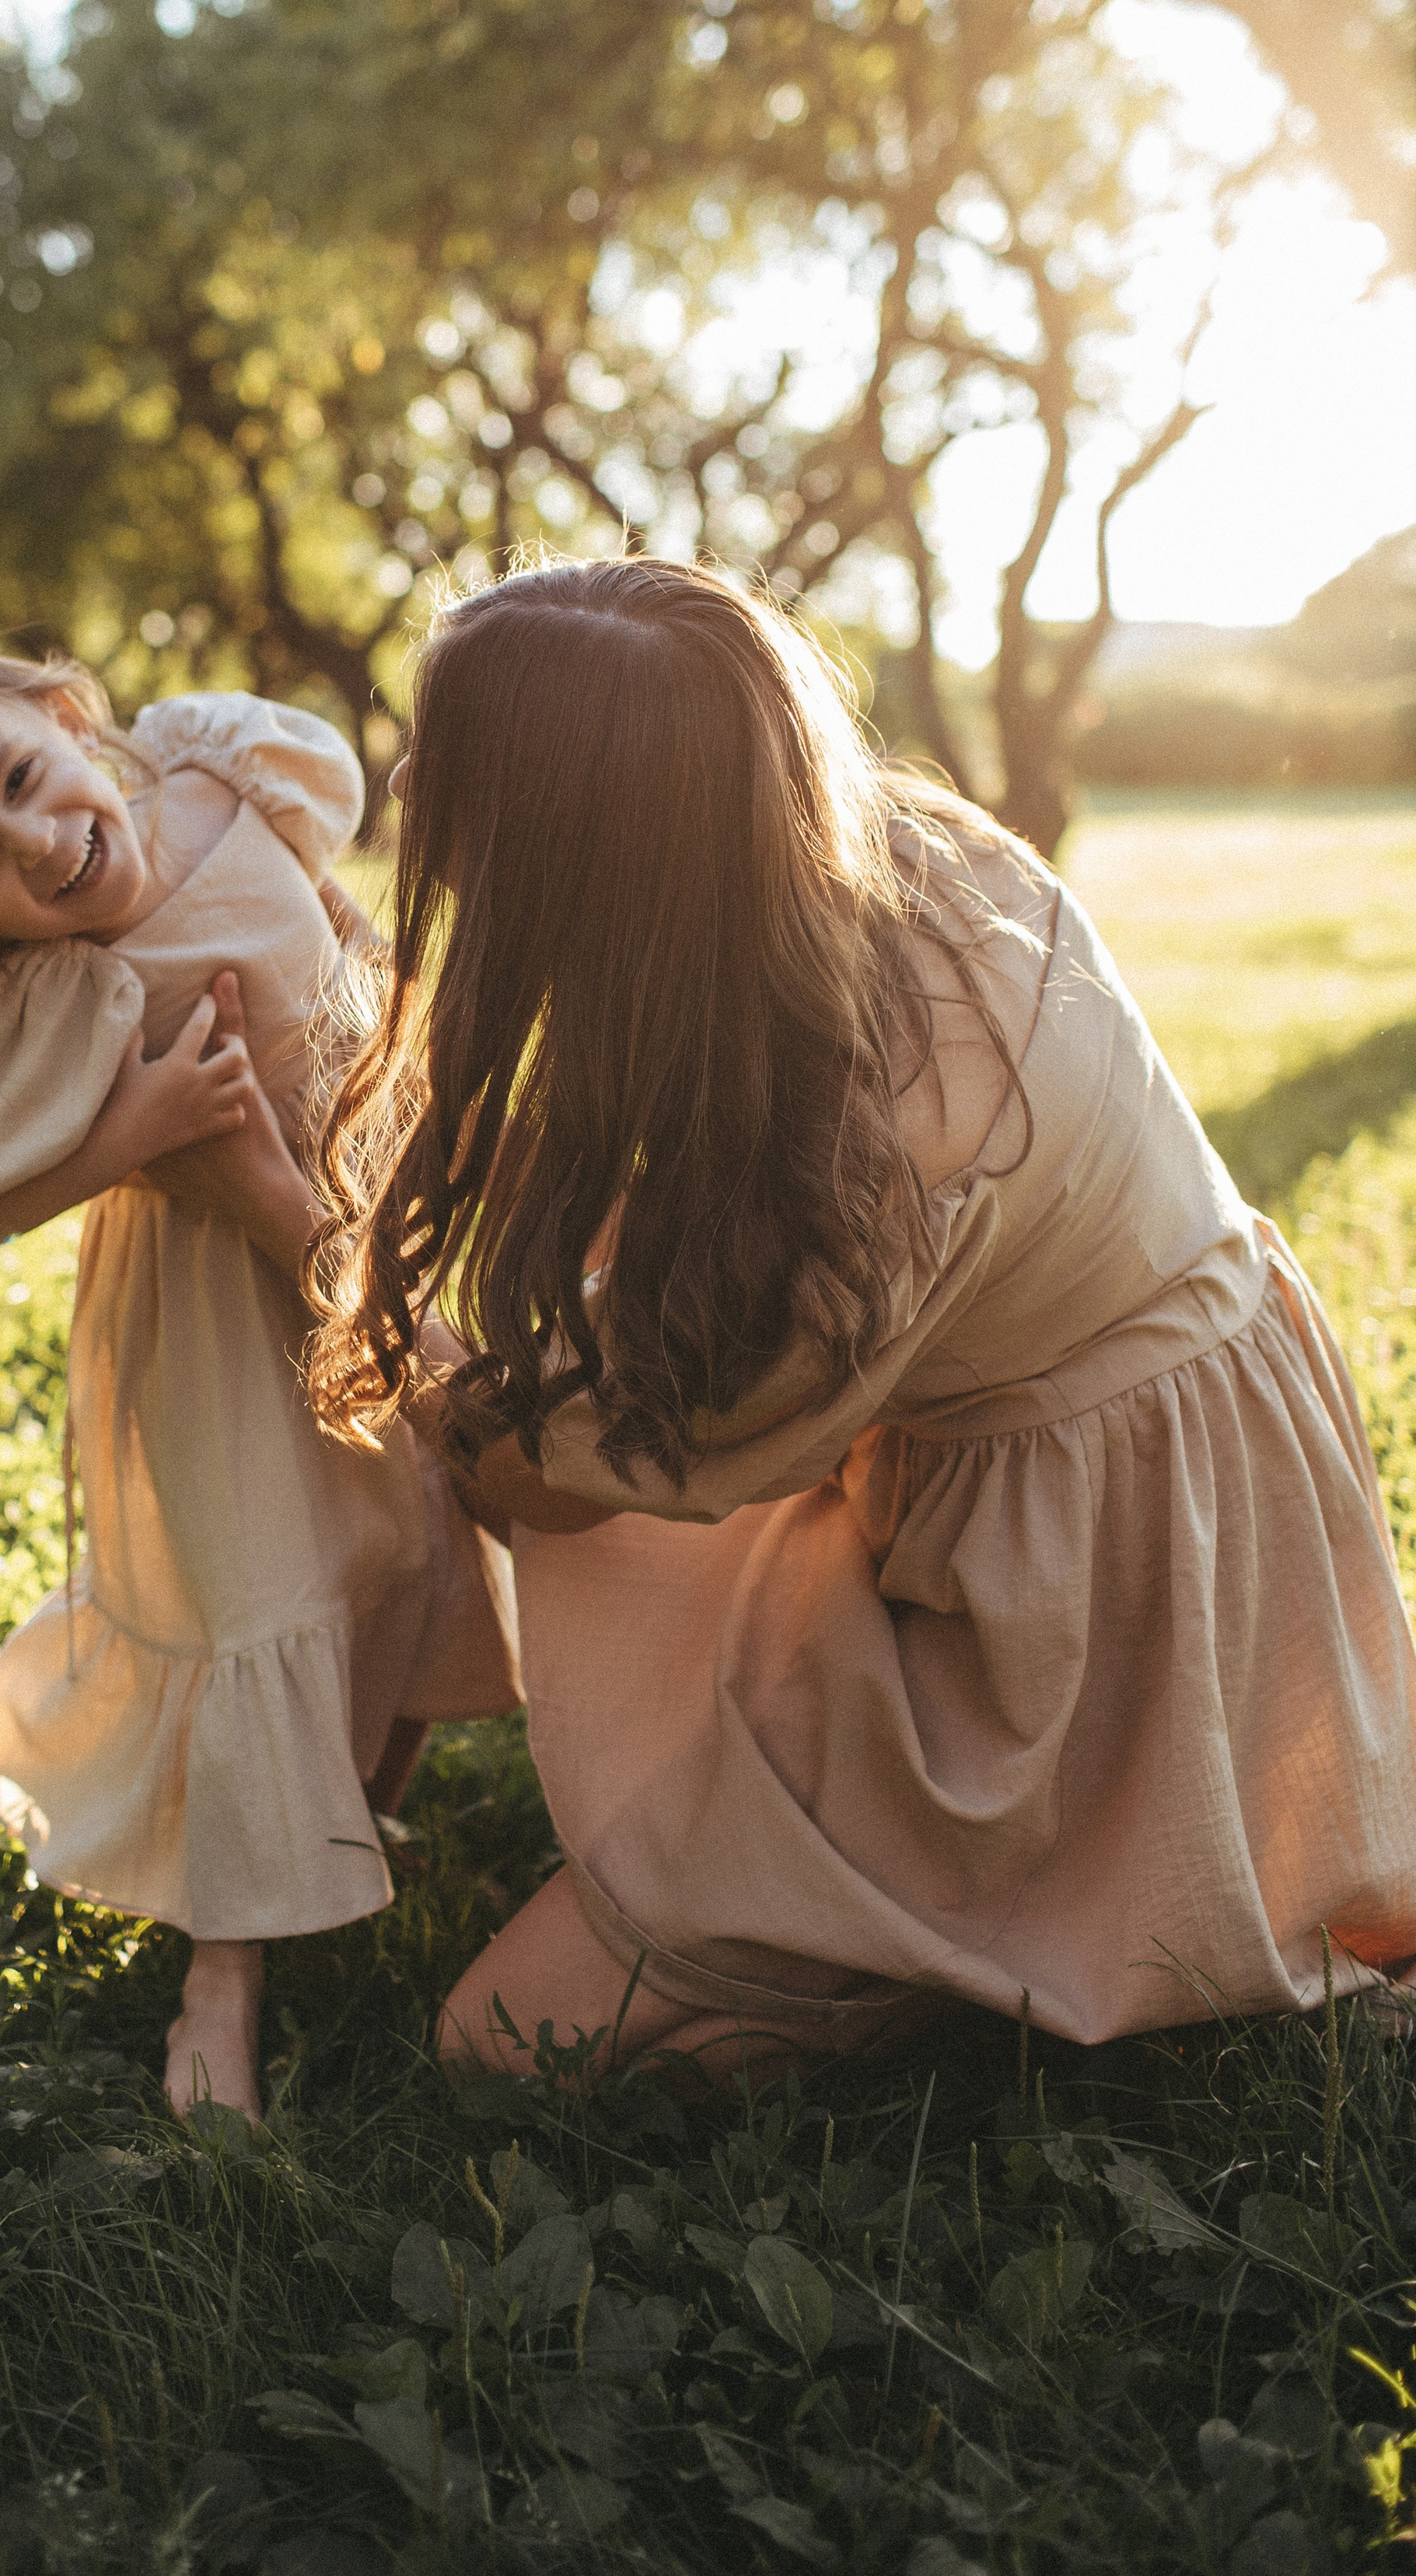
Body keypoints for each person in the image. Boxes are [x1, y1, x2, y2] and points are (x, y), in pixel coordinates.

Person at [295, 555, 1416, 2084]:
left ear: (584, 834)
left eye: (454, 759)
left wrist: (272, 1207)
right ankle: (913, 1909)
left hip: (1092, 1605)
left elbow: (535, 1465)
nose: (404, 778)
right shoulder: (864, 863)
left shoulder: (881, 1164)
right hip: (1070, 1462)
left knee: (501, 2041)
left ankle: (963, 1936)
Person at [0, 609, 519, 2121]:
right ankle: (224, 1963)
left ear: (62, 714)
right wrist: (129, 1138)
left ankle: (360, 1812)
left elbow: (332, 923)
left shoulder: (219, 780)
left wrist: (410, 1044)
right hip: (223, 1323)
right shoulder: (56, 986)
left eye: (25, 778)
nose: (35, 843)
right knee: (269, 1583)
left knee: (419, 1525)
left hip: (365, 1217)